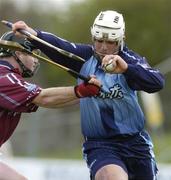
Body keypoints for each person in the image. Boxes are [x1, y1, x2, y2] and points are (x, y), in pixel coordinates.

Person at [12, 10, 165, 180]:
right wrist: (34, 34)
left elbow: (157, 82)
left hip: (136, 144)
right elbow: (60, 47)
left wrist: (127, 69)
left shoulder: (129, 61)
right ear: (93, 37)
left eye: (110, 41)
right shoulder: (84, 58)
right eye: (99, 40)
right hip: (100, 145)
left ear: (121, 39)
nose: (104, 47)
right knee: (113, 177)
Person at [0, 31, 101, 180]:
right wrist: (80, 91)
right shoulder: (4, 77)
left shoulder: (9, 76)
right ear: (18, 53)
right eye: (33, 54)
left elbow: (49, 100)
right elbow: (44, 98)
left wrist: (86, 94)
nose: (36, 60)